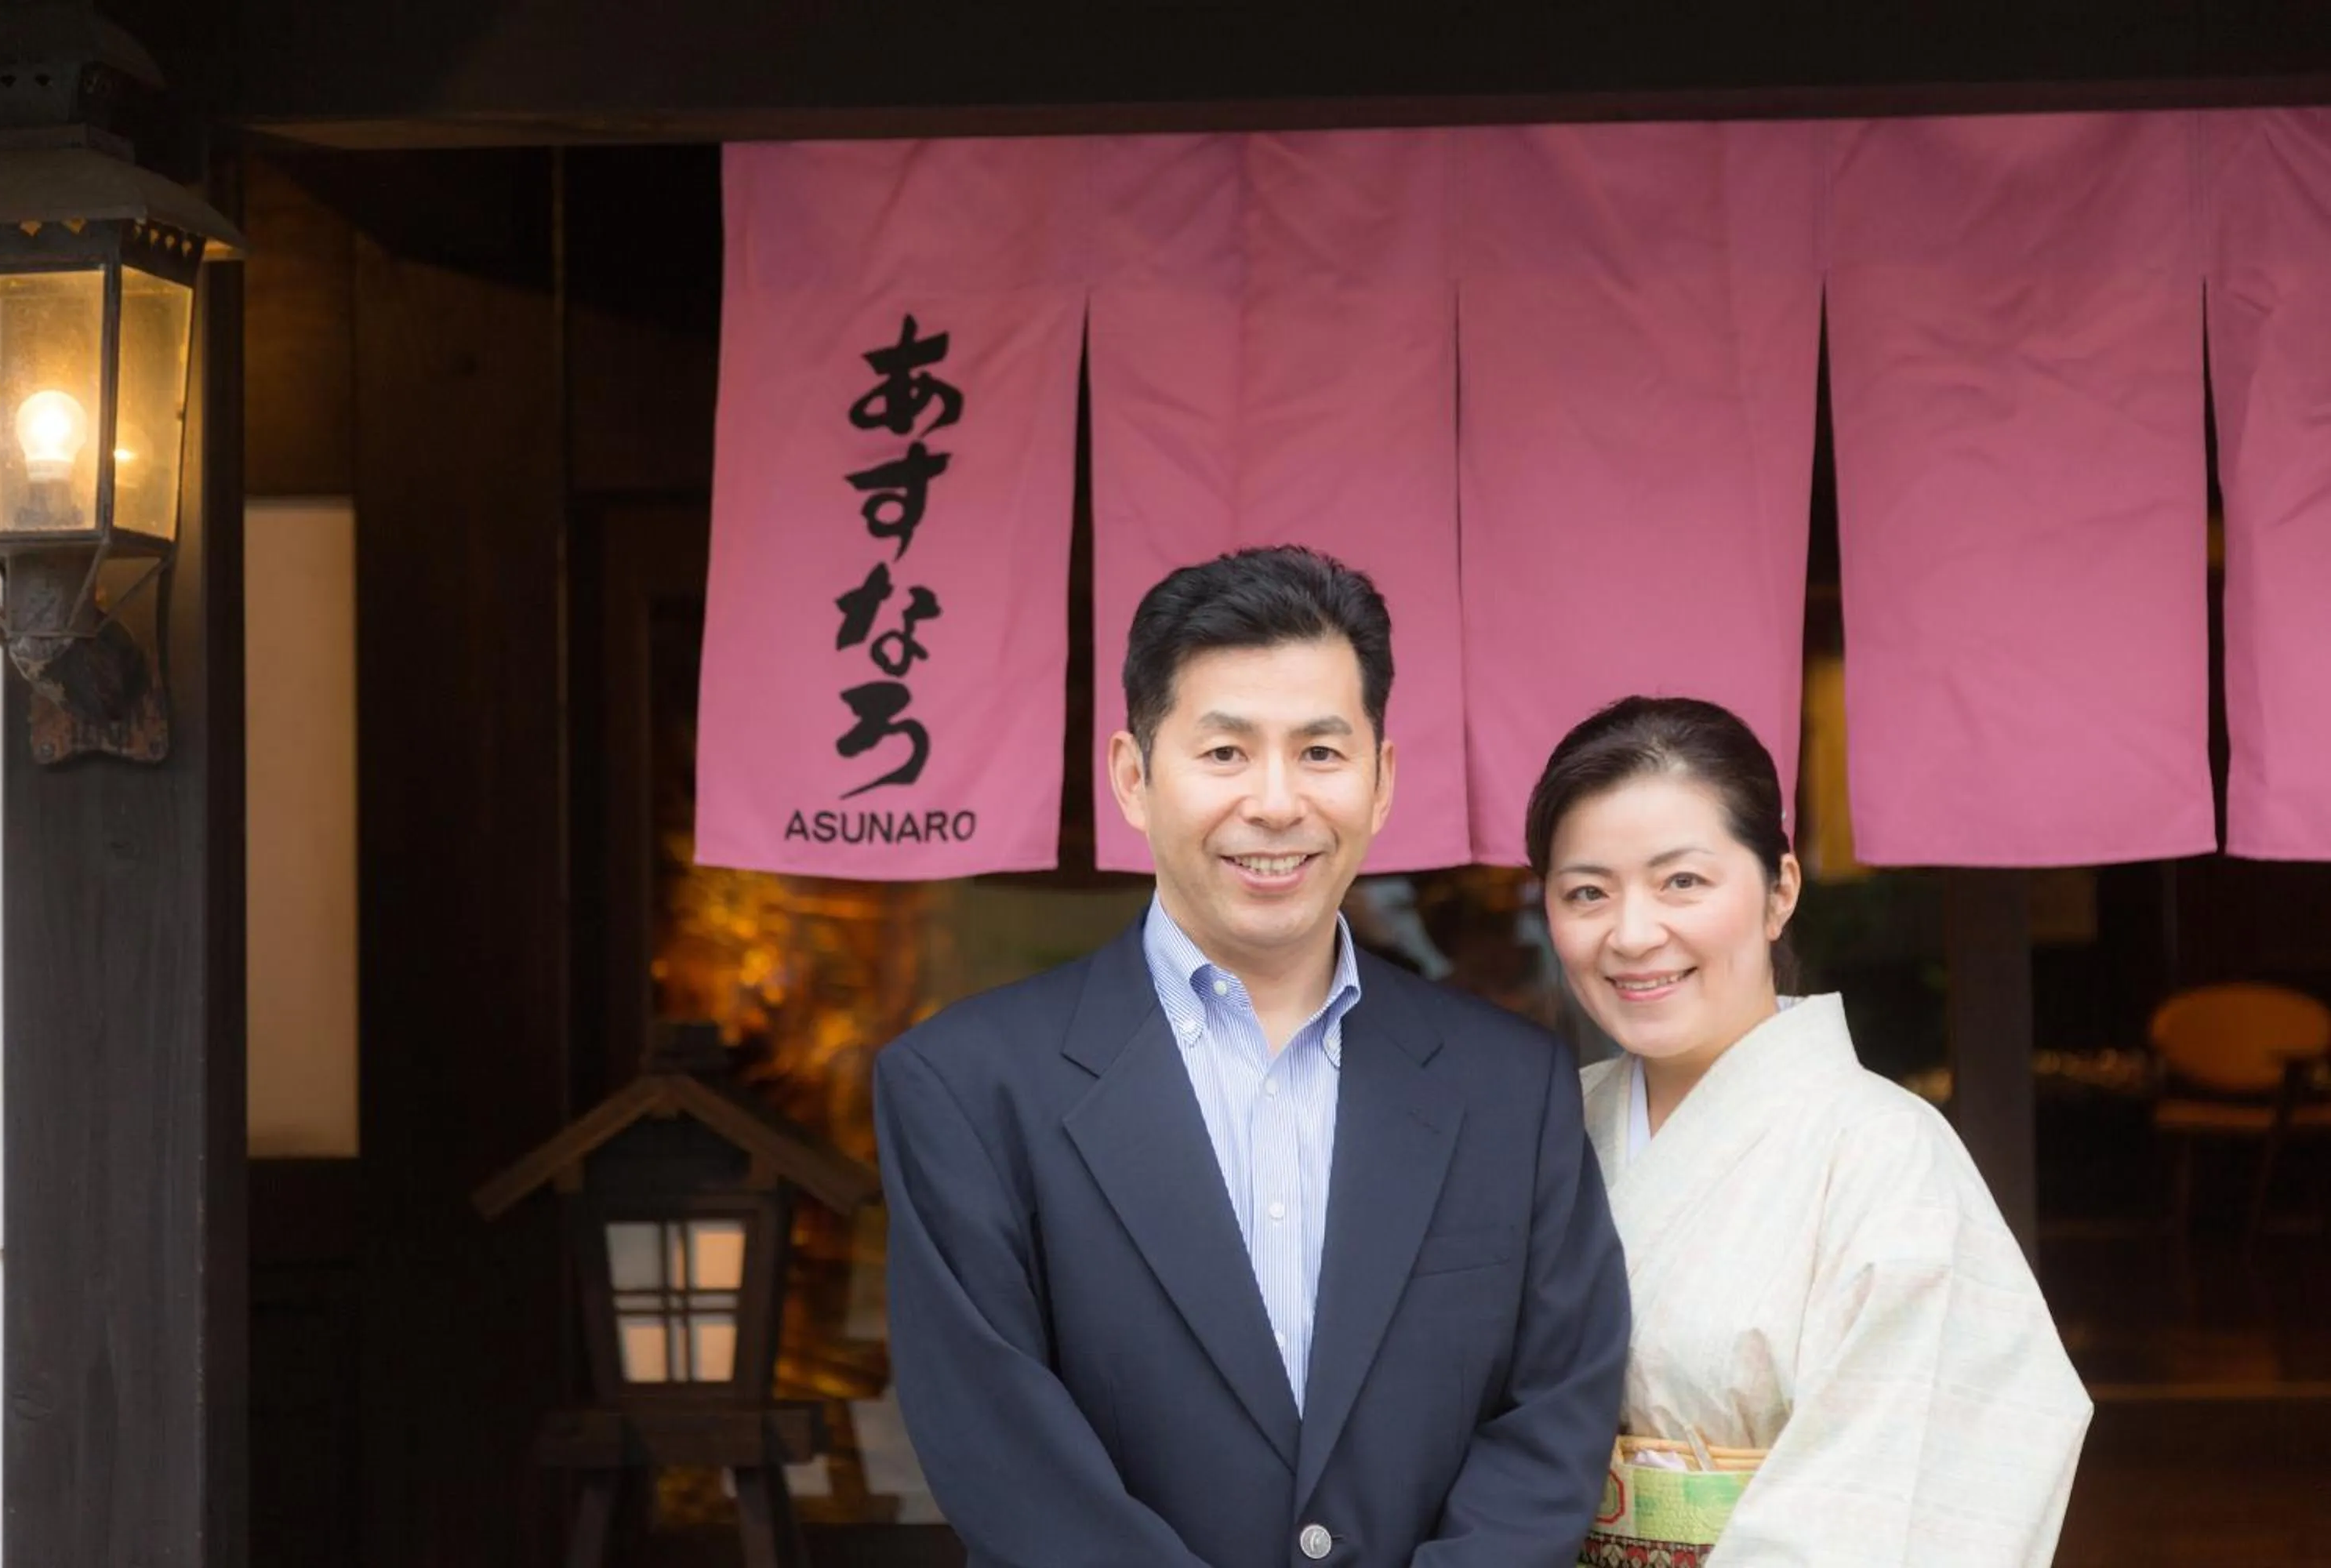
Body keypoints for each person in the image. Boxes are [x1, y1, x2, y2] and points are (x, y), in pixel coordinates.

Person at [876, 546, 1628, 1567]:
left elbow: (1554, 1414)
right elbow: (1003, 1456)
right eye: (1225, 754)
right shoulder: (967, 1085)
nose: (1276, 804)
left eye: (1321, 753)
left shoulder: (1512, 1087)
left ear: (1381, 780)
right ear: (1133, 778)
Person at [1528, 695, 2092, 1566]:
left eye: (1683, 880)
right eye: (1587, 891)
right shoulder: (1536, 1130)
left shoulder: (1885, 1152)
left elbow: (1910, 1489)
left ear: (1779, 889)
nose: (1634, 933)